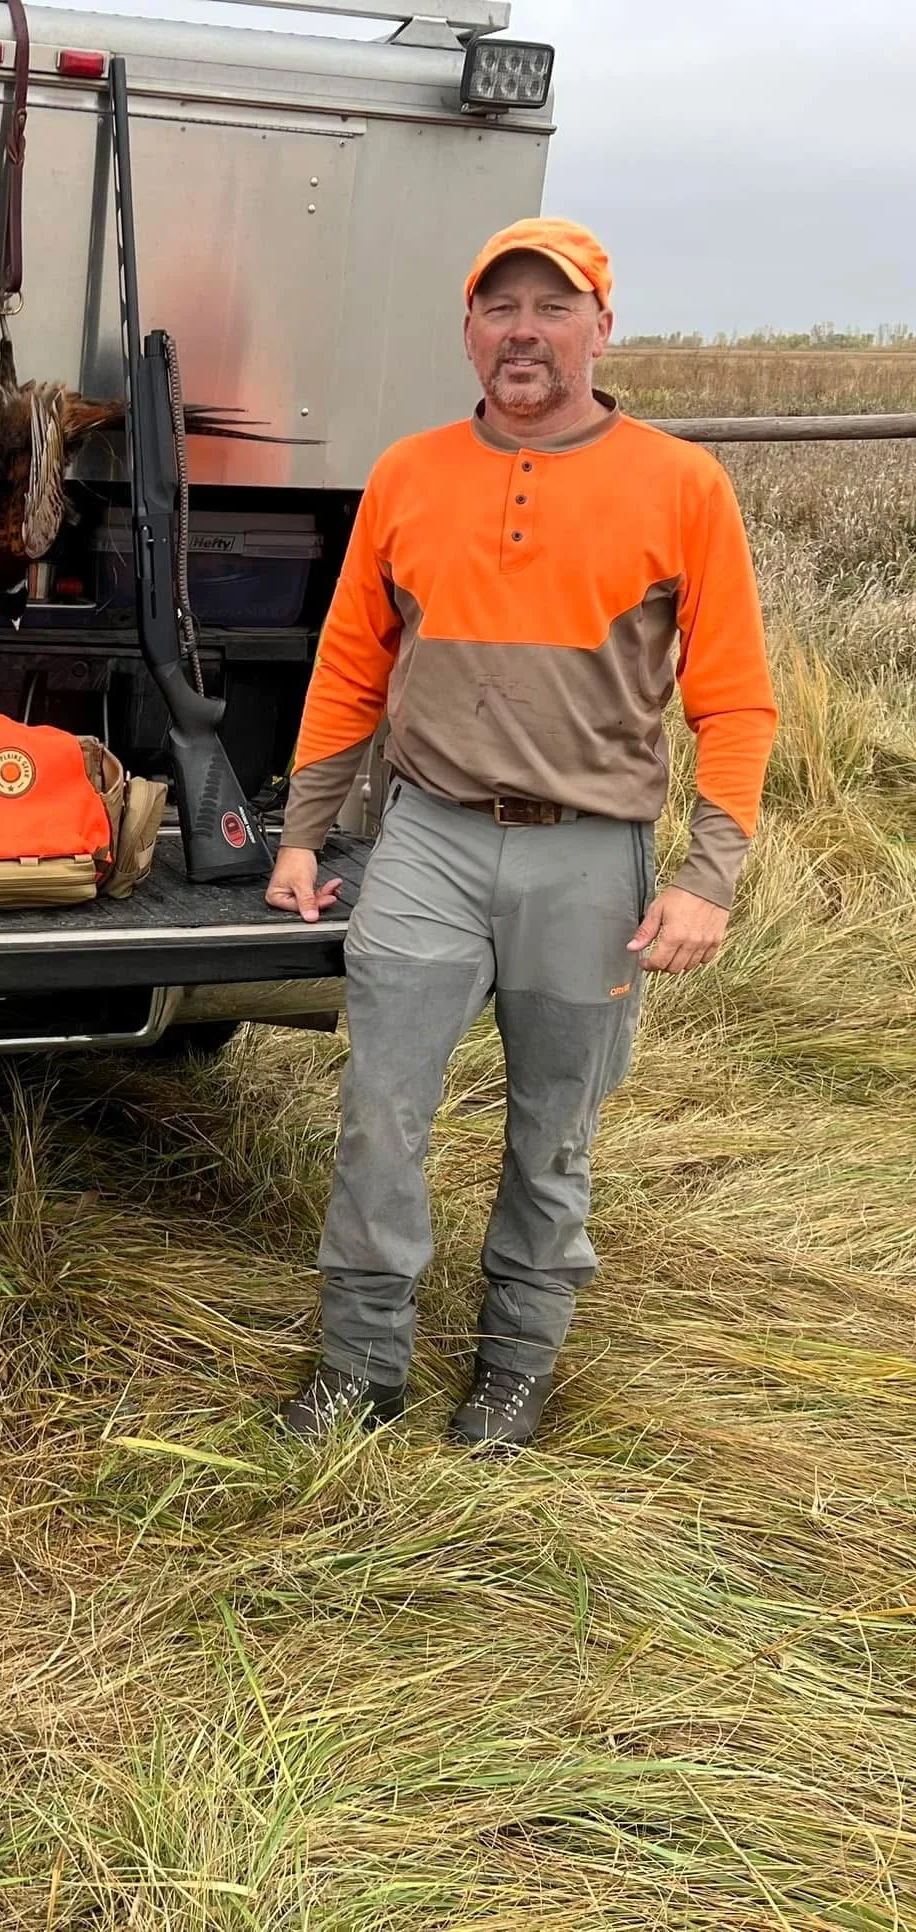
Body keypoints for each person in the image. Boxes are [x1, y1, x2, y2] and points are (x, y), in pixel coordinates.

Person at [267, 217, 777, 1449]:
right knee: (377, 1113)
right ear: (467, 332)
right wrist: (301, 834)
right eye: (498, 308)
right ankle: (359, 1367)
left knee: (553, 1134)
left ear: (601, 328)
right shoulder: (407, 475)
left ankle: (513, 1368)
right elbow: (348, 665)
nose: (523, 332)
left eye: (552, 308)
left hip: (588, 857)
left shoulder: (679, 484)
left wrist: (708, 878)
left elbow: (733, 698)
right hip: (426, 842)